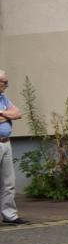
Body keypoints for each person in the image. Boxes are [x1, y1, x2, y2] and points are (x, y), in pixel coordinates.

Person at [0, 70, 21, 224]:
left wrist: (2, 113)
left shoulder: (3, 98)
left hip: (6, 142)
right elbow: (12, 114)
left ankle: (10, 215)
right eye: (4, 82)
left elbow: (18, 113)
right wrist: (8, 114)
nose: (6, 85)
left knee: (9, 182)